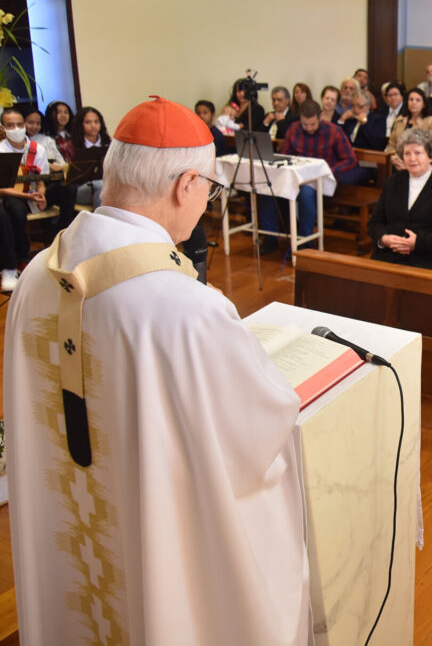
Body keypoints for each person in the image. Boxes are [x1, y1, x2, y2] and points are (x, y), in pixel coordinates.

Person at [4, 95, 309, 644]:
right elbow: (257, 438)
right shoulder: (185, 307)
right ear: (184, 185)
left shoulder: (34, 276)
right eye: (210, 189)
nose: (206, 203)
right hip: (152, 551)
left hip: (71, 546)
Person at [258, 100, 358, 255]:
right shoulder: (293, 129)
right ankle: (270, 238)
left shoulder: (333, 131)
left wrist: (328, 170)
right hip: (295, 175)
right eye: (305, 124)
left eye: (312, 124)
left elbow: (350, 159)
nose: (309, 128)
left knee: (306, 194)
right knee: (266, 189)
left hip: (319, 179)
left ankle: (305, 241)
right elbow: (285, 154)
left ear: (320, 118)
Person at [369, 127, 432, 272]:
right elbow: (375, 222)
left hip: (428, 260)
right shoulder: (392, 182)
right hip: (389, 256)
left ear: (430, 156)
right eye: (407, 153)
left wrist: (419, 243)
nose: (412, 158)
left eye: (418, 153)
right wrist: (384, 239)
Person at [0, 109, 51, 268]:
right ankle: (20, 259)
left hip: (31, 193)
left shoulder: (38, 149)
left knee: (68, 190)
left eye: (19, 124)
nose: (16, 129)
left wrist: (40, 194)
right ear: (2, 128)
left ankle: (56, 245)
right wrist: (29, 198)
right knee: (15, 209)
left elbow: (41, 180)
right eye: (10, 125)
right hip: (10, 195)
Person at [25, 109, 78, 232]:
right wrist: (47, 164)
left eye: (38, 123)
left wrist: (51, 165)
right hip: (27, 190)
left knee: (69, 187)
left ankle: (64, 229)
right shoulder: (17, 142)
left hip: (48, 184)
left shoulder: (47, 140)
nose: (34, 126)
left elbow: (61, 163)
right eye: (30, 122)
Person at [385, 88, 432, 170]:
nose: (413, 102)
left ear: (424, 104)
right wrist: (395, 159)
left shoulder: (431, 122)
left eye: (418, 100)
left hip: (422, 165)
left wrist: (408, 163)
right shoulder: (400, 120)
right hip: (399, 164)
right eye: (411, 99)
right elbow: (391, 146)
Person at [69, 106, 111, 207]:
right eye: (88, 122)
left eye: (96, 122)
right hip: (81, 189)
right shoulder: (72, 145)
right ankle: (100, 221)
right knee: (101, 185)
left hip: (107, 186)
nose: (93, 125)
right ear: (80, 124)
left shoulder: (108, 144)